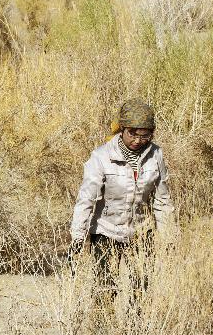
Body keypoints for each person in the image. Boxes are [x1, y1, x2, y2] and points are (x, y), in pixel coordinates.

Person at [69, 98, 175, 304]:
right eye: (132, 134)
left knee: (141, 293)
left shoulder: (156, 156)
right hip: (106, 231)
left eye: (145, 135)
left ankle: (135, 334)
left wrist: (169, 236)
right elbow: (86, 200)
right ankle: (102, 333)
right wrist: (78, 237)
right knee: (105, 291)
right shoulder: (101, 157)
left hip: (142, 233)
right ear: (122, 129)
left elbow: (162, 199)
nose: (138, 140)